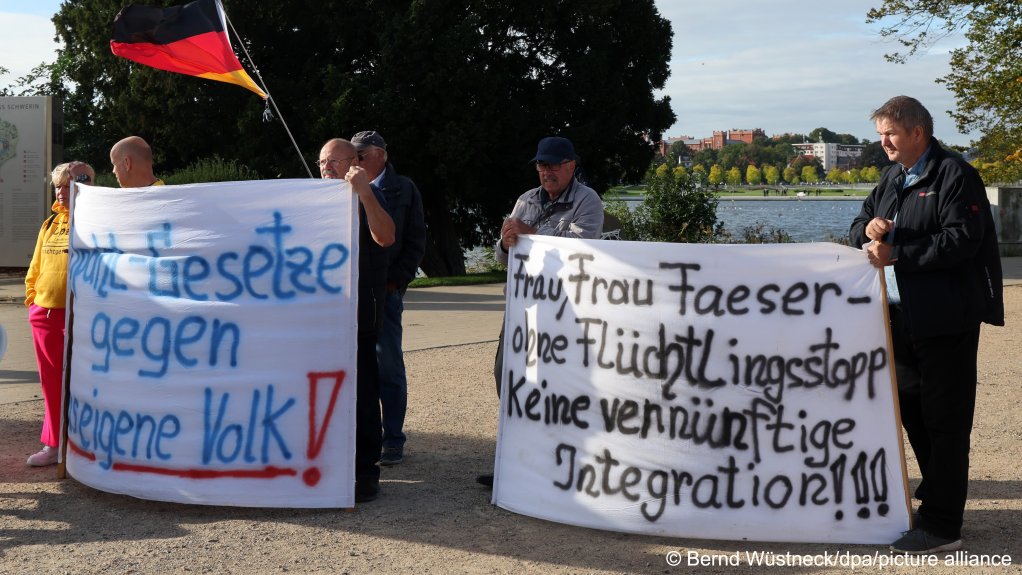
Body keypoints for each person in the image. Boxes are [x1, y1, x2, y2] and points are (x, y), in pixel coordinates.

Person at [849, 96, 1003, 554]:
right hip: (899, 318)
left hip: (945, 318)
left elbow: (963, 240)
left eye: (890, 134)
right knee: (913, 414)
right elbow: (856, 225)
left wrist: (898, 253)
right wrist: (869, 231)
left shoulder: (956, 175)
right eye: (880, 135)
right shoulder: (893, 177)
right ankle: (936, 504)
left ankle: (942, 525)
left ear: (917, 131)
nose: (883, 144)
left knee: (946, 420)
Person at [478, 136, 604, 487]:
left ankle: (561, 464)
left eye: (553, 164)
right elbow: (503, 256)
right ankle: (515, 458)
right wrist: (504, 242)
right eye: (541, 165)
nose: (546, 171)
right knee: (508, 375)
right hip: (522, 305)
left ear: (571, 166)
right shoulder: (526, 199)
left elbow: (583, 250)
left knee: (559, 385)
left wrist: (529, 234)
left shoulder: (587, 201)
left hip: (566, 309)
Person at [318, 138, 395, 502]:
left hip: (359, 313)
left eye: (334, 162)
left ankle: (366, 470)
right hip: (320, 317)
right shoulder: (312, 201)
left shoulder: (367, 196)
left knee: (363, 391)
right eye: (322, 162)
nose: (327, 168)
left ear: (354, 163)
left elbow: (386, 237)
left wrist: (364, 194)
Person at [351, 130, 426, 466]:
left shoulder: (403, 188)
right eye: (353, 156)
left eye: (362, 155)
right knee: (355, 367)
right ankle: (359, 438)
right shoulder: (343, 186)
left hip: (385, 293)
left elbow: (414, 241)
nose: (357, 162)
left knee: (388, 366)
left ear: (380, 154)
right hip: (350, 295)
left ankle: (393, 438)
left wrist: (396, 282)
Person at [24, 161, 96, 466]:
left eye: (68, 185)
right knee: (51, 383)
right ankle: (53, 444)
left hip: (78, 316)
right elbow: (35, 268)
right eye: (57, 186)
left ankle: (82, 445)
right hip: (44, 314)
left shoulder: (92, 222)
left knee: (81, 382)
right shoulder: (49, 225)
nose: (61, 192)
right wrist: (33, 302)